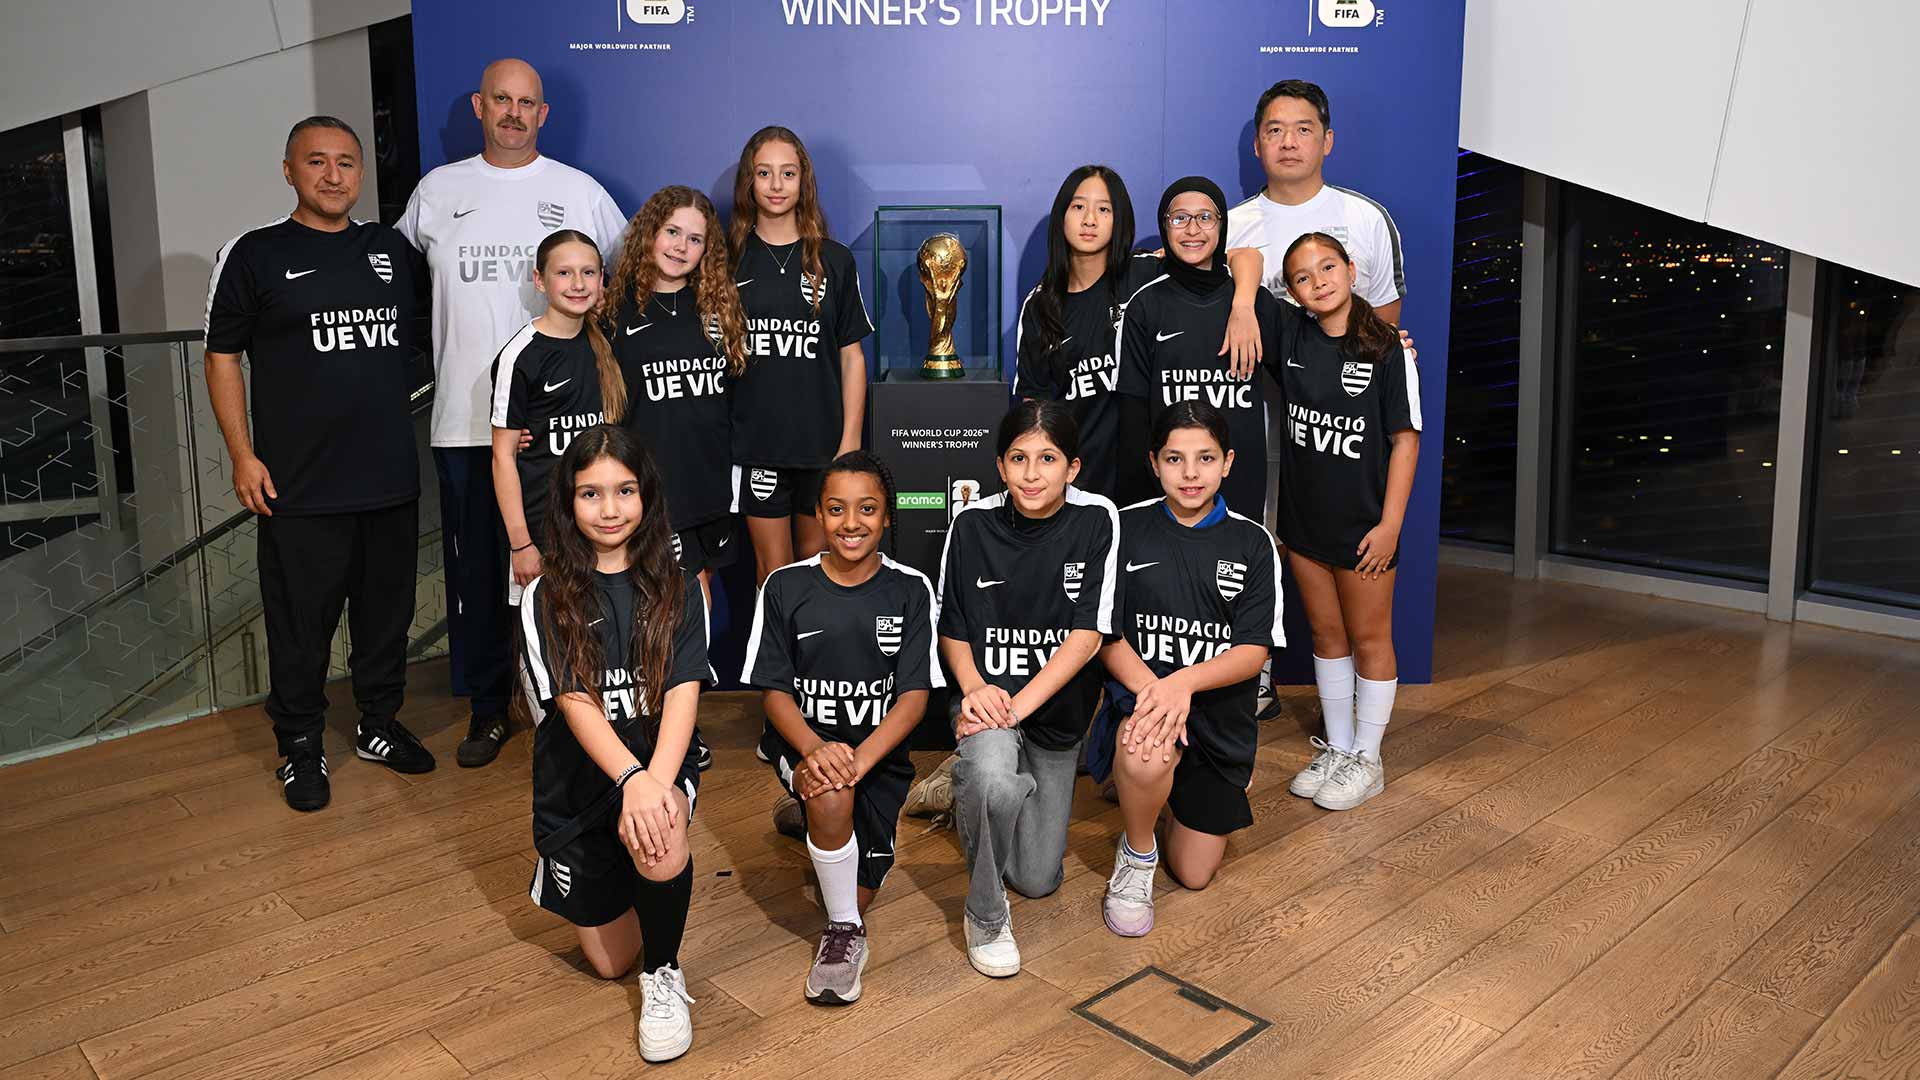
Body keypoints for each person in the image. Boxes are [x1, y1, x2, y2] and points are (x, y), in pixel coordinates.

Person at [397, 57, 628, 769]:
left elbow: (624, 276)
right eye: (501, 99)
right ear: (479, 105)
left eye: (527, 103)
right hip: (468, 428)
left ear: (543, 113)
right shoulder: (438, 191)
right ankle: (489, 709)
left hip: (560, 437)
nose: (513, 113)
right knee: (480, 578)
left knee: (578, 573)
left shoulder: (579, 192)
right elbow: (396, 279)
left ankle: (582, 704)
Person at [204, 116, 429, 811]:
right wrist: (243, 455)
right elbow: (221, 356)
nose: (334, 175)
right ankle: (300, 747)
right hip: (298, 485)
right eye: (317, 162)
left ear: (361, 172)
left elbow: (423, 343)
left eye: (347, 163)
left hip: (388, 478)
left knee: (386, 619)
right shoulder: (254, 254)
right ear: (289, 170)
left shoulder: (391, 250)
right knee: (301, 629)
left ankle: (378, 725)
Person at [519, 425, 707, 1063]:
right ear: (567, 502)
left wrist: (653, 786)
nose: (609, 509)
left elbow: (682, 692)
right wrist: (630, 780)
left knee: (660, 826)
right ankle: (640, 877)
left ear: (646, 495)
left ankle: (665, 973)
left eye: (624, 491)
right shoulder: (546, 594)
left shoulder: (679, 584)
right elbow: (575, 701)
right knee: (608, 963)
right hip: (580, 780)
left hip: (658, 762)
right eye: (590, 493)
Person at [741, 450, 942, 1005]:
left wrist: (860, 760)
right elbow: (774, 693)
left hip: (877, 755)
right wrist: (813, 748)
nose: (851, 523)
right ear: (819, 514)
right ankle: (844, 934)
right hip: (805, 745)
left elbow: (914, 700)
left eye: (867, 509)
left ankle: (811, 817)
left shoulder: (911, 589)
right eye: (836, 509)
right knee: (831, 800)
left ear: (888, 516)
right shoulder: (784, 586)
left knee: (858, 879)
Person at [936, 400, 1117, 978]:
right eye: (1018, 459)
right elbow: (951, 628)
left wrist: (1014, 710)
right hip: (987, 706)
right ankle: (985, 914)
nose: (1031, 474)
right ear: (999, 465)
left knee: (1038, 878)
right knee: (992, 775)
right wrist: (974, 688)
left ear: (1073, 467)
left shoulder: (1097, 519)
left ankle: (965, 790)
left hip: (1049, 715)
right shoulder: (971, 524)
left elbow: (1087, 638)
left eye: (1048, 459)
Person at [1099, 403, 1284, 934]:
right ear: (1154, 463)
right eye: (1174, 458)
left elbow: (1253, 652)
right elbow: (1105, 636)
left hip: (1217, 721)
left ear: (1228, 463)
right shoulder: (1124, 528)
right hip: (1146, 702)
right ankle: (1137, 853)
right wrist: (1157, 693)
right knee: (1148, 749)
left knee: (1194, 873)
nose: (1190, 473)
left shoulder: (1253, 542)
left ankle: (1163, 793)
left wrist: (1183, 683)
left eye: (1205, 458)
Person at [1266, 232, 1421, 811]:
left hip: (1364, 527)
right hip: (1305, 522)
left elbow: (1406, 442)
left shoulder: (1388, 348)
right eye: (1303, 277)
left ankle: (1368, 758)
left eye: (1328, 267)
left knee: (1369, 637)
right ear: (1293, 292)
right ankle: (1337, 747)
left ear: (1352, 269)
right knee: (1327, 636)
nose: (1319, 282)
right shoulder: (1291, 335)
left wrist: (1390, 526)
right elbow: (1237, 272)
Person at [1016, 165, 1265, 502]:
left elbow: (1244, 256)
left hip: (1155, 481)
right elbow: (1035, 412)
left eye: (1104, 209)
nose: (1089, 220)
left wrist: (1244, 306)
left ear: (1120, 219)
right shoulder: (1041, 305)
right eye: (1078, 207)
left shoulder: (1147, 274)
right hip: (1082, 485)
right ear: (1062, 215)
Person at [726, 126, 875, 586]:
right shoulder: (726, 259)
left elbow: (851, 358)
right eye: (764, 173)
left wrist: (849, 443)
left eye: (787, 173)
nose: (776, 185)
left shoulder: (834, 259)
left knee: (818, 568)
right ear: (749, 181)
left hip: (821, 445)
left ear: (803, 181)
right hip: (757, 447)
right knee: (773, 574)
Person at [603, 185, 748, 597]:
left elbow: (739, 398)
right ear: (650, 232)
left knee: (700, 595)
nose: (681, 247)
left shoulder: (720, 307)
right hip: (652, 484)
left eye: (695, 239)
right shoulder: (613, 310)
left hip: (711, 484)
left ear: (707, 250)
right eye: (672, 232)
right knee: (672, 596)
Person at [1116, 177, 1283, 518]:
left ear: (1222, 224)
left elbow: (1309, 364)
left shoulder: (1255, 303)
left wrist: (1379, 344)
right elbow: (1133, 417)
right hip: (1165, 497)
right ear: (1164, 226)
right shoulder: (1145, 305)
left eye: (1205, 217)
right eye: (1180, 218)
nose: (1193, 229)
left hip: (1241, 491)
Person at [489, 230, 621, 607]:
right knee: (550, 638)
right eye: (564, 273)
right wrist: (521, 544)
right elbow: (502, 457)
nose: (578, 284)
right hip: (546, 533)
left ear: (601, 278)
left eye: (588, 273)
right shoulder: (521, 355)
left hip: (605, 527)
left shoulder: (608, 341)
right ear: (539, 279)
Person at [1226, 79, 1405, 325]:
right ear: (1257, 145)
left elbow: (1384, 331)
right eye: (1275, 130)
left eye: (1303, 130)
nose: (1288, 143)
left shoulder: (1368, 218)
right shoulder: (1229, 228)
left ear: (1327, 141)